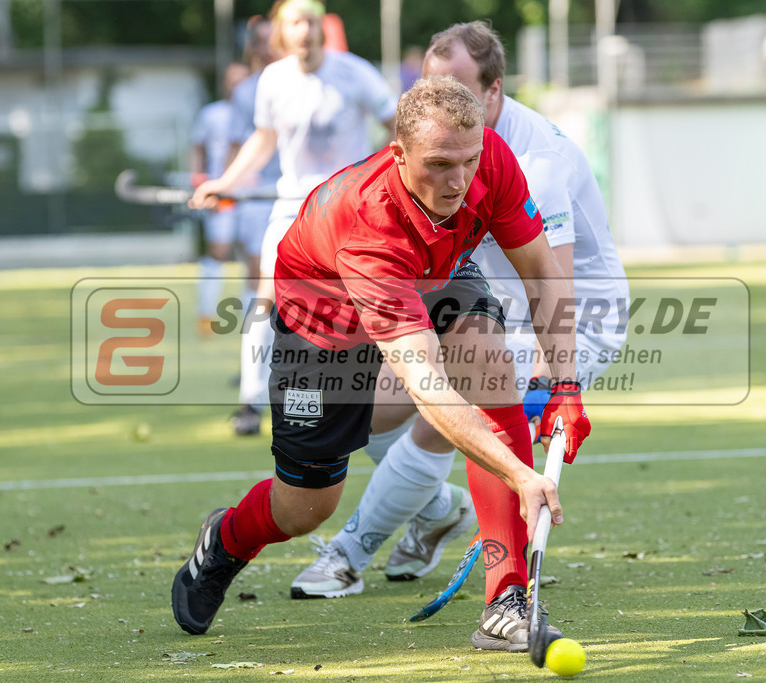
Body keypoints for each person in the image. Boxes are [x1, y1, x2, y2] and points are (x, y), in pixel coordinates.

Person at [173, 75, 590, 653]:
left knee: (490, 369)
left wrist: (566, 385)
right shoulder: (371, 229)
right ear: (399, 155)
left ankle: (505, 600)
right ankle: (225, 540)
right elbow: (428, 388)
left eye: (466, 162)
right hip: (324, 320)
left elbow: (542, 270)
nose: (458, 181)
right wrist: (521, 475)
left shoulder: (485, 157)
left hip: (437, 271)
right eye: (440, 164)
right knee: (307, 508)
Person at [290, 21, 629, 643]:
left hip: (568, 317)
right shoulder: (443, 142)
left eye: (457, 88)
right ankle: (437, 509)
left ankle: (353, 555)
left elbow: (552, 281)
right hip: (483, 297)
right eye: (428, 86)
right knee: (370, 412)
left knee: (452, 409)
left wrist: (564, 384)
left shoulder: (537, 163)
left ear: (493, 93)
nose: (440, 102)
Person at [193, 0, 398, 436]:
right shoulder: (273, 79)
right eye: (293, 23)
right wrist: (225, 182)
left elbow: (397, 124)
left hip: (351, 211)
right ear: (282, 33)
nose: (303, 30)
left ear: (321, 27)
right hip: (292, 209)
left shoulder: (354, 72)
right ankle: (249, 403)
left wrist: (375, 174)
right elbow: (263, 141)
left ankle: (375, 400)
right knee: (265, 303)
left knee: (365, 308)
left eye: (309, 21)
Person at [191, 62, 251, 336]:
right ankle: (206, 314)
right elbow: (197, 148)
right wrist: (199, 180)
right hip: (222, 194)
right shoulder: (212, 114)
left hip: (253, 195)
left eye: (241, 80)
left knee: (256, 258)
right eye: (231, 80)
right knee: (219, 250)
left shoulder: (257, 113)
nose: (236, 86)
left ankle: (253, 323)